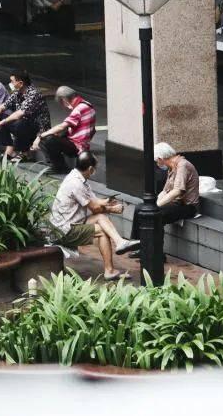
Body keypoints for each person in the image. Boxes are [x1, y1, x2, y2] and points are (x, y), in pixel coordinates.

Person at [49, 152, 140, 281]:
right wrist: (113, 209)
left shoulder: (77, 177)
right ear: (90, 169)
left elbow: (95, 201)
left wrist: (108, 202)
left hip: (71, 222)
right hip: (64, 230)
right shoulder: (76, 183)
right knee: (102, 231)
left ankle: (120, 242)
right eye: (95, 168)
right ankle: (109, 270)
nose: (95, 171)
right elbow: (95, 208)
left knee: (101, 217)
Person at [129, 143, 200, 258]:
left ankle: (157, 254)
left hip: (187, 206)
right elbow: (165, 191)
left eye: (156, 161)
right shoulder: (172, 167)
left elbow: (177, 191)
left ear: (160, 159)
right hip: (175, 203)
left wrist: (156, 206)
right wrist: (153, 204)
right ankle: (140, 245)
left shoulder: (183, 166)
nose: (157, 164)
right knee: (140, 208)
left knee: (155, 215)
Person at [33, 86, 96, 174]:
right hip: (80, 141)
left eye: (62, 102)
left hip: (78, 146)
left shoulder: (79, 109)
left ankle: (59, 167)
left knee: (48, 139)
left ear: (64, 99)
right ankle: (54, 162)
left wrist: (40, 136)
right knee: (50, 136)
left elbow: (62, 127)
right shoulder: (87, 104)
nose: (64, 106)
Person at [0, 70, 51, 161]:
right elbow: (1, 107)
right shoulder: (17, 93)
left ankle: (25, 154)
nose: (10, 84)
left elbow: (20, 113)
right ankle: (10, 151)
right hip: (24, 125)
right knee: (2, 116)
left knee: (19, 122)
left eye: (12, 81)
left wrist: (2, 122)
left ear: (20, 83)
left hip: (38, 128)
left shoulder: (34, 94)